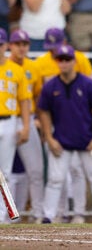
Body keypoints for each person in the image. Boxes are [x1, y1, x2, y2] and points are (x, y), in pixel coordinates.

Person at [38, 44, 92, 224]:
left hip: (87, 140)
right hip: (62, 141)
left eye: (67, 59)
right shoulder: (50, 86)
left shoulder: (88, 84)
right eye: (60, 60)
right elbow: (43, 112)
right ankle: (48, 215)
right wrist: (49, 138)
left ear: (74, 61)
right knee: (55, 180)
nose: (63, 63)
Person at [8, 30, 45, 223]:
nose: (21, 47)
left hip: (27, 119)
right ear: (10, 46)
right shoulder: (5, 66)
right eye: (17, 43)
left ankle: (39, 213)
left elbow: (38, 95)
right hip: (6, 119)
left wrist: (35, 119)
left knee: (36, 170)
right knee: (4, 173)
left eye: (25, 44)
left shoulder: (33, 66)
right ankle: (8, 216)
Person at [0, 27, 30, 224]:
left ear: (5, 46)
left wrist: (26, 126)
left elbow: (25, 101)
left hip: (10, 121)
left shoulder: (17, 70)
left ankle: (3, 217)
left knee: (6, 172)